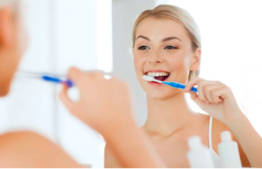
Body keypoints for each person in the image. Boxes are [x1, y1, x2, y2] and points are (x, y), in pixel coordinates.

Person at [105, 4, 262, 168]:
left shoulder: (222, 133)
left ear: (195, 59)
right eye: (144, 47)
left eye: (170, 47)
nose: (154, 58)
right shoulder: (116, 148)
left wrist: (236, 119)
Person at [0, 0, 163, 167]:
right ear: (5, 26)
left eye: (170, 46)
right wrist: (123, 129)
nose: (155, 58)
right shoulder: (20, 155)